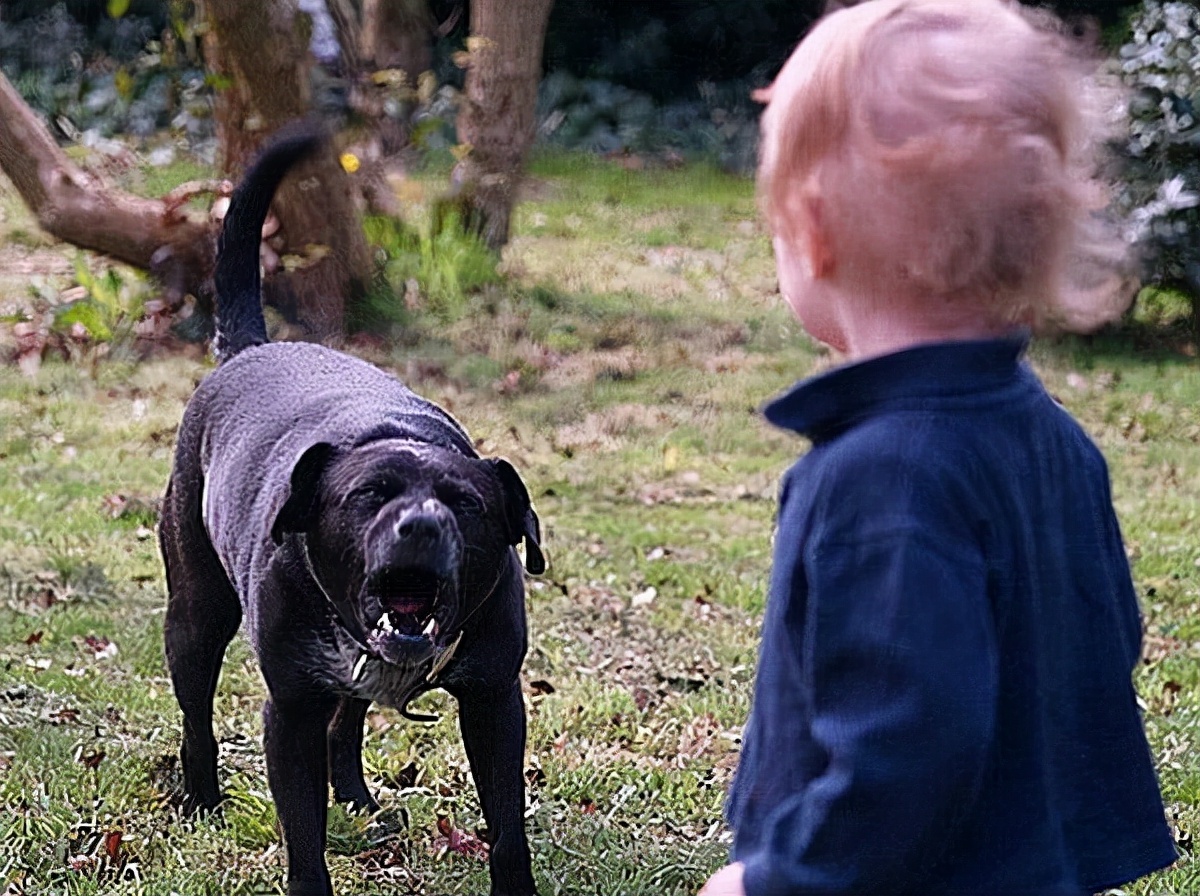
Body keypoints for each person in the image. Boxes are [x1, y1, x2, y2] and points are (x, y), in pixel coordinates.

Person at [699, 1, 1178, 894]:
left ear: (813, 230)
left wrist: (778, 881)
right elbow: (1107, 638)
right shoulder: (1054, 439)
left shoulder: (882, 479)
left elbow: (908, 742)